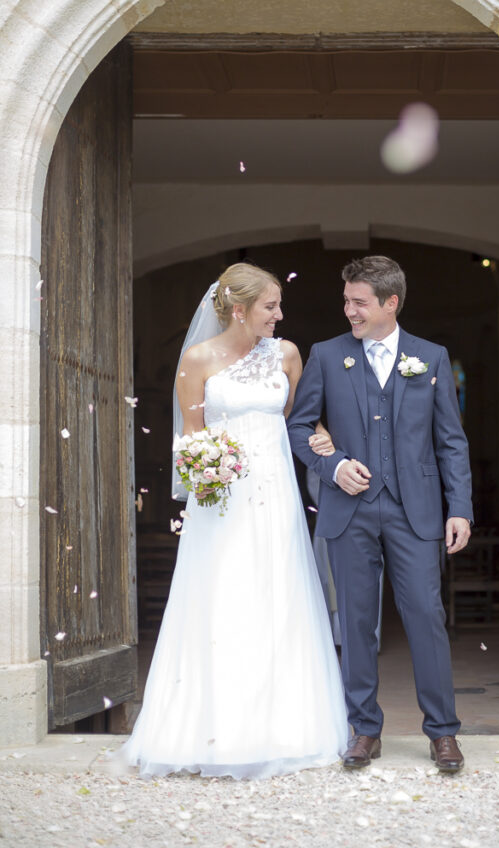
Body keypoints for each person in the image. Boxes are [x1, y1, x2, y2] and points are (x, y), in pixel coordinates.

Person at [119, 263, 348, 779]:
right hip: (219, 501)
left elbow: (301, 422)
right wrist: (204, 469)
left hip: (276, 494)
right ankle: (208, 729)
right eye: (271, 306)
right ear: (239, 309)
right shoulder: (196, 360)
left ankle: (285, 727)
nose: (280, 314)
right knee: (221, 595)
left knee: (279, 593)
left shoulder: (287, 354)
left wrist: (325, 443)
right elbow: (191, 436)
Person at [287, 255, 473, 773]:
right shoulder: (326, 355)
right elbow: (299, 430)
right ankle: (364, 728)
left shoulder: (430, 357)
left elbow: (450, 442)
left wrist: (459, 508)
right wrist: (334, 465)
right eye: (346, 301)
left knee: (426, 617)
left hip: (416, 512)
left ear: (390, 303)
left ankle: (442, 732)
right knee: (356, 621)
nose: (349, 310)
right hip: (349, 512)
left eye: (358, 302)